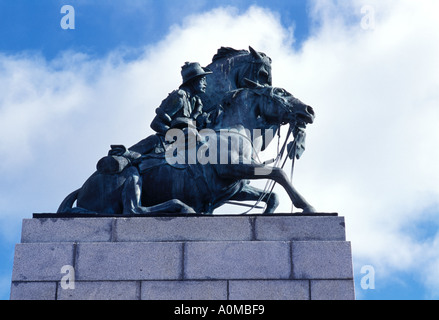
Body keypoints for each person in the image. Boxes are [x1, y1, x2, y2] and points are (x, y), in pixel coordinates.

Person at [130, 62, 213, 155]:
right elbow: (155, 124)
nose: (205, 84)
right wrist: (176, 136)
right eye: (202, 80)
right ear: (193, 82)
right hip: (162, 143)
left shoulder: (196, 101)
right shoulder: (179, 97)